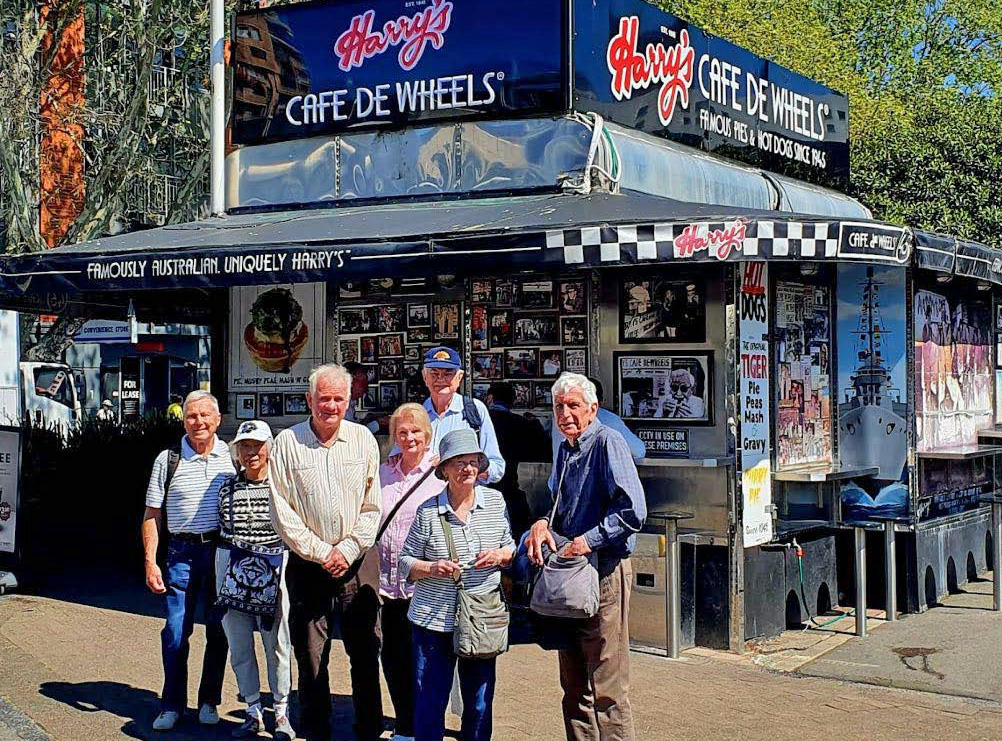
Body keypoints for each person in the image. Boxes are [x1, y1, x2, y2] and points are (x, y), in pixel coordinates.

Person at [528, 373, 646, 741]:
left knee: (608, 685)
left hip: (605, 570)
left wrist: (589, 541)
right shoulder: (566, 447)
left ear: (593, 409)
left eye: (574, 406)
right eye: (559, 407)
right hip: (571, 574)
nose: (565, 414)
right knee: (573, 682)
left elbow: (634, 511)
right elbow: (562, 507)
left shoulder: (608, 442)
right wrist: (542, 524)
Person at [269, 363, 383, 741]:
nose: (331, 406)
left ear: (349, 401)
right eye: (323, 399)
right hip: (308, 565)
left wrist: (347, 549)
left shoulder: (364, 439)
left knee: (365, 651)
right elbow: (280, 508)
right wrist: (321, 552)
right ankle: (317, 730)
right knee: (311, 653)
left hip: (358, 562)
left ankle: (368, 729)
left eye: (338, 399)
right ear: (309, 400)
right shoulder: (287, 443)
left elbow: (372, 505)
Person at [399, 428, 515, 741]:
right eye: (458, 462)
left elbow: (510, 546)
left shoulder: (495, 502)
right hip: (433, 621)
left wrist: (499, 555)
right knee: (429, 701)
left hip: (481, 618)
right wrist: (431, 568)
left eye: (473, 461)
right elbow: (405, 562)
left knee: (478, 702)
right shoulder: (428, 511)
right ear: (445, 470)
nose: (467, 468)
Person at [142, 390, 233, 731]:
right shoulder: (167, 460)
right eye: (192, 416)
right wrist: (150, 561)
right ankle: (172, 704)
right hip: (180, 553)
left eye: (205, 416)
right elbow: (152, 514)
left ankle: (209, 701)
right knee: (176, 632)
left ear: (218, 420)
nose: (199, 422)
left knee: (219, 630)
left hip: (221, 551)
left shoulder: (232, 457)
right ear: (184, 421)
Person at [215, 420, 295, 740]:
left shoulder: (284, 488)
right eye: (244, 446)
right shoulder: (227, 488)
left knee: (277, 643)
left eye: (257, 446)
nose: (251, 453)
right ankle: (251, 709)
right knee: (239, 644)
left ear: (269, 449)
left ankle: (281, 712)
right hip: (234, 568)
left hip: (275, 568)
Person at [377, 403, 443, 741]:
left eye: (416, 431)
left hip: (426, 586)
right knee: (393, 657)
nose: (409, 437)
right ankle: (404, 723)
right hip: (389, 587)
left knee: (425, 662)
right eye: (402, 432)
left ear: (427, 435)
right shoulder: (384, 471)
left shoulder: (439, 475)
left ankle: (425, 725)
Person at [417, 346, 505, 484]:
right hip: (422, 499)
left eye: (447, 374)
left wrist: (457, 466)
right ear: (424, 377)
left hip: (464, 500)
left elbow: (496, 468)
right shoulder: (415, 415)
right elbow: (397, 462)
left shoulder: (475, 410)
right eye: (434, 373)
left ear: (460, 377)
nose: (440, 379)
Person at [485, 382, 549, 539]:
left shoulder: (480, 424)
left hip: (482, 492)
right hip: (511, 489)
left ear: (490, 398)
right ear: (512, 401)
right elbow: (543, 449)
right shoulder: (521, 423)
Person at [550, 377, 646, 476]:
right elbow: (638, 451)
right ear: (599, 402)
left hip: (560, 486)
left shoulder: (558, 418)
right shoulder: (609, 420)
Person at [344, 361, 381, 434]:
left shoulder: (351, 403)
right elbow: (352, 436)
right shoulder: (341, 405)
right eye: (363, 381)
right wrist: (378, 423)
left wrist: (365, 421)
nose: (366, 387)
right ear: (350, 381)